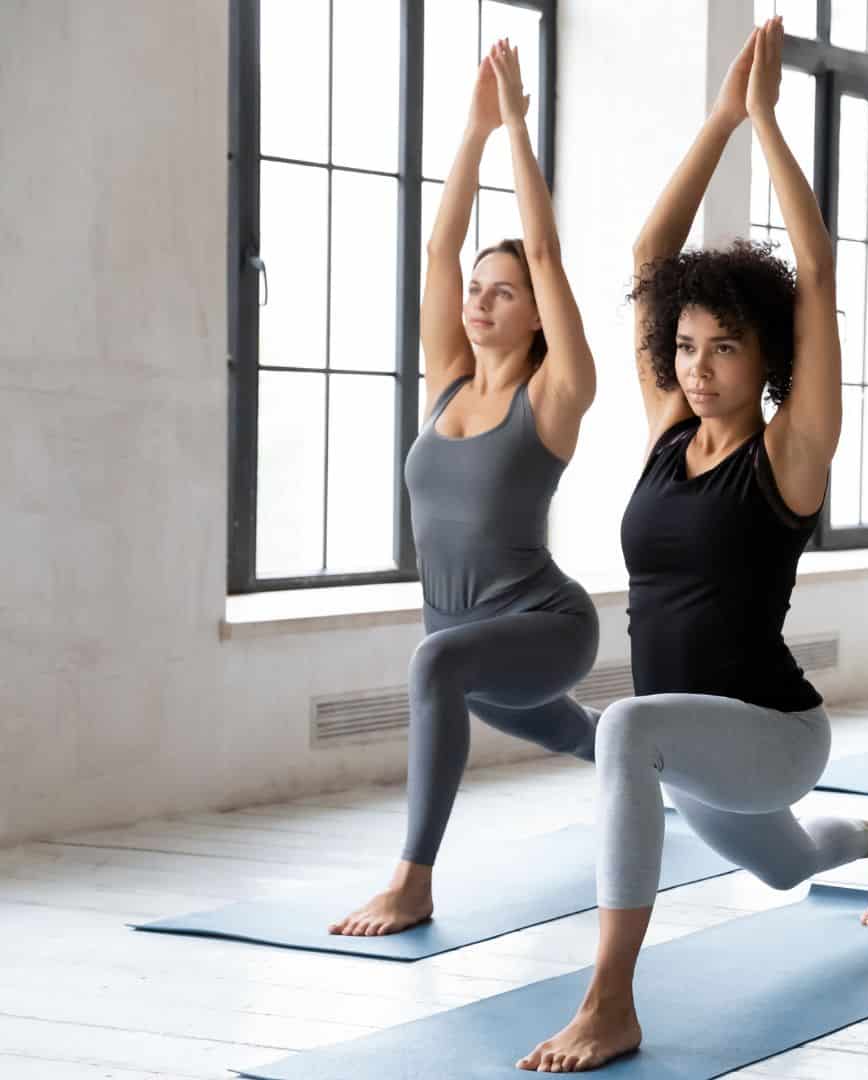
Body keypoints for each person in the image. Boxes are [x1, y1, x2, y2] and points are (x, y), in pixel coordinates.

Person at [518, 21, 868, 1072]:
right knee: (787, 866)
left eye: (723, 348)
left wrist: (770, 126)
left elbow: (818, 273)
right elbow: (652, 258)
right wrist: (719, 117)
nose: (696, 368)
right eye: (685, 348)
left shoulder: (792, 454)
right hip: (699, 750)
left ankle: (610, 1001)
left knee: (622, 729)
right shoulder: (664, 436)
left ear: (765, 357)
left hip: (775, 731)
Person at [331, 40, 599, 939]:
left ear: (536, 312)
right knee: (577, 735)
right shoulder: (446, 376)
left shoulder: (555, 398)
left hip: (543, 626)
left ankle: (413, 882)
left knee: (439, 668)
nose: (479, 301)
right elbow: (441, 245)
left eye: (504, 292)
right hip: (468, 641)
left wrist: (519, 126)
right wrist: (473, 131)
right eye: (476, 290)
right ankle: (647, 759)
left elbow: (551, 251)